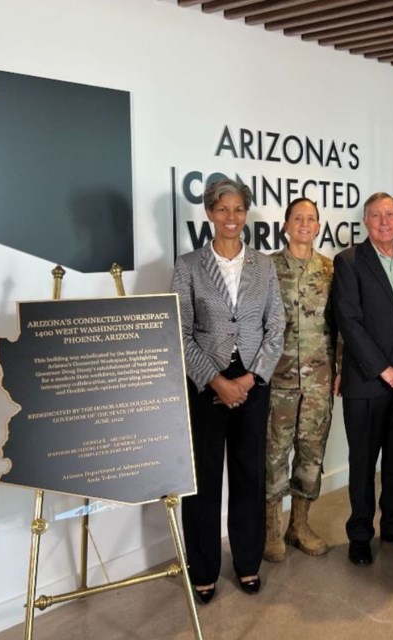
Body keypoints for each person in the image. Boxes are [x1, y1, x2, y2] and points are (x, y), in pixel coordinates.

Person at [171, 178, 285, 603]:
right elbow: (179, 333)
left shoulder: (264, 266)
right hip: (205, 384)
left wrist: (250, 378)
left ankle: (248, 562)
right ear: (208, 214)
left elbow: (276, 326)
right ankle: (202, 569)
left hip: (253, 382)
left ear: (246, 213)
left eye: (238, 209)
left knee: (248, 475)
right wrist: (216, 379)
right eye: (222, 210)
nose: (231, 218)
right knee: (202, 481)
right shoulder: (188, 266)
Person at [332, 192, 393, 566]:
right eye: (376, 216)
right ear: (366, 222)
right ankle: (360, 534)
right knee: (362, 463)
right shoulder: (349, 262)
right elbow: (349, 323)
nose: (384, 221)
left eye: (390, 214)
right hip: (367, 382)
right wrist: (385, 370)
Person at [264, 198, 338, 562]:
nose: (304, 224)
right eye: (298, 218)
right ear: (286, 225)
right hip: (276, 381)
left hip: (319, 381)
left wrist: (339, 367)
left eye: (311, 219)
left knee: (311, 454)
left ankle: (300, 526)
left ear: (318, 226)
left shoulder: (330, 270)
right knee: (274, 453)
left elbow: (340, 324)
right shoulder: (266, 268)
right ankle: (272, 531)